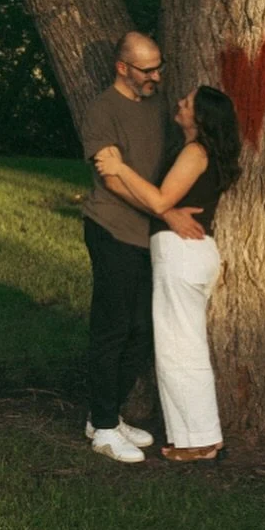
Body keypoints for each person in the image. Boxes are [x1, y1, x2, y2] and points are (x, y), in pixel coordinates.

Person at [95, 84, 241, 463]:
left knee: (181, 351)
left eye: (188, 103)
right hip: (187, 255)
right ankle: (200, 438)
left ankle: (201, 442)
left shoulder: (195, 151)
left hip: (182, 257)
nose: (180, 103)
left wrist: (119, 168)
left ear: (202, 118)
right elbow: (165, 206)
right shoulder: (197, 151)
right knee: (183, 348)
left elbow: (160, 200)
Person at [80, 32, 204, 464]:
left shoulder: (154, 106)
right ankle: (103, 429)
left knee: (143, 329)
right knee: (112, 328)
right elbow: (113, 179)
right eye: (147, 70)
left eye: (159, 66)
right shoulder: (101, 112)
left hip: (148, 237)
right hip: (112, 231)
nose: (157, 76)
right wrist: (166, 211)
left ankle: (105, 415)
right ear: (122, 68)